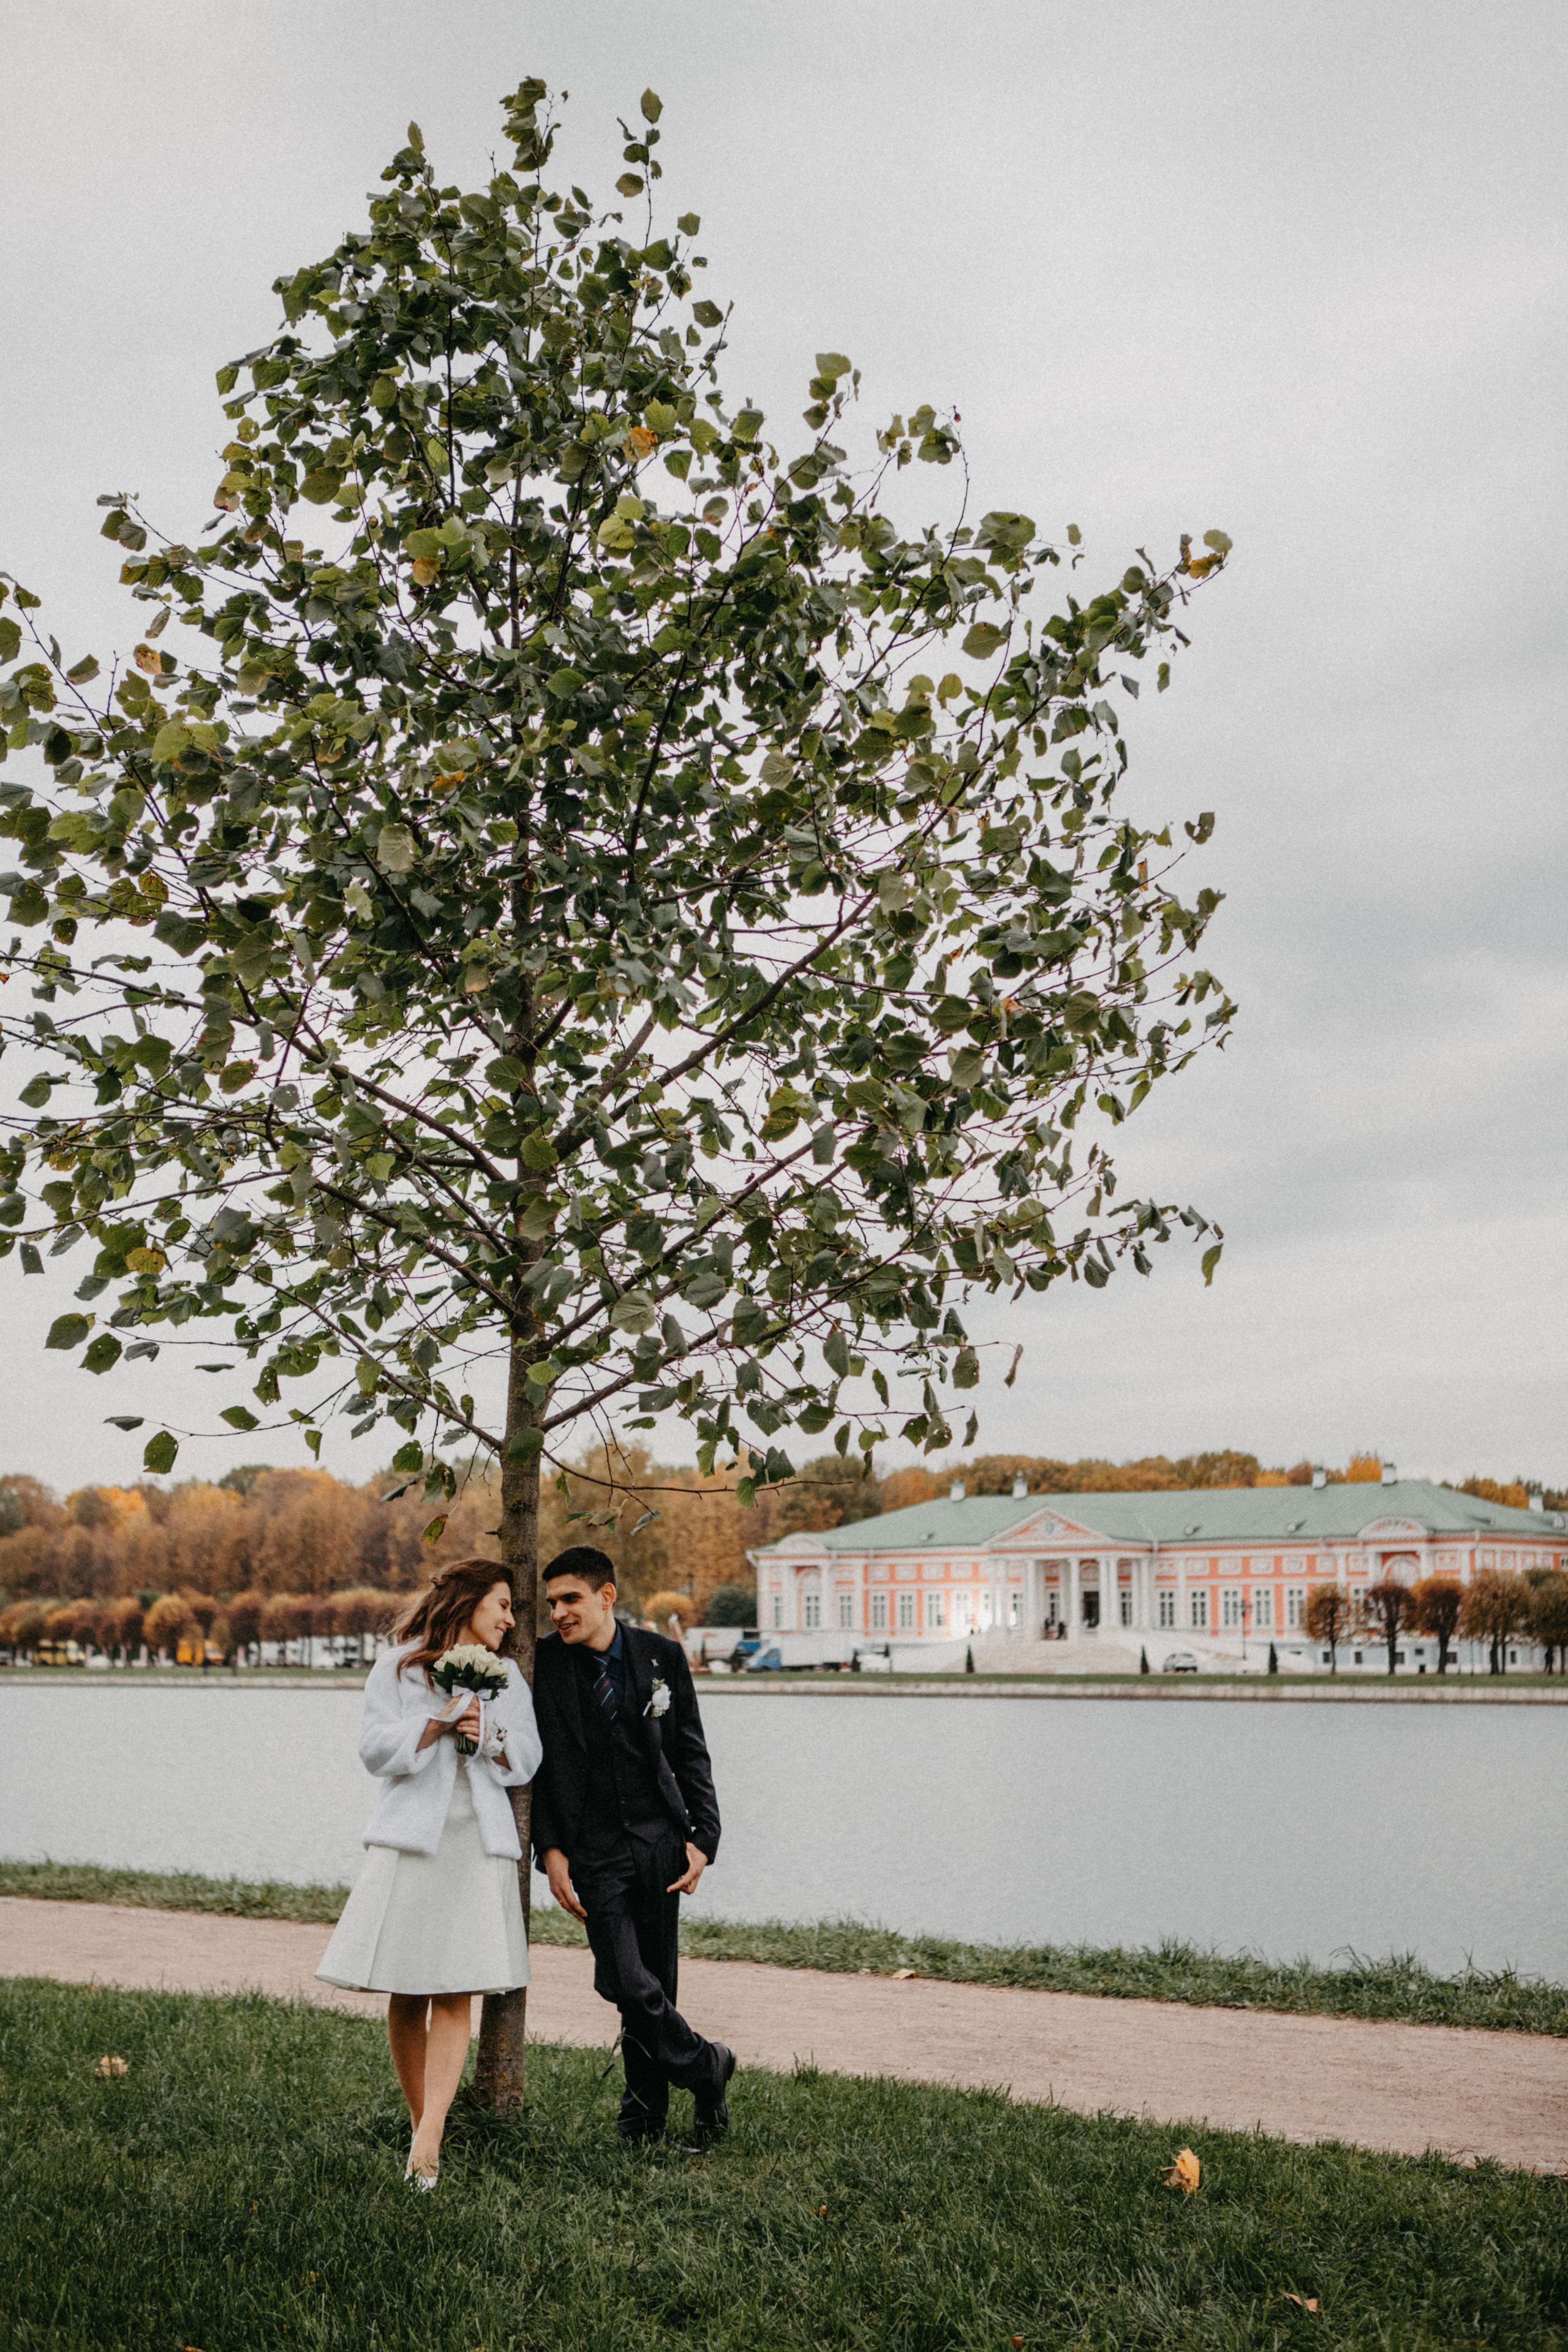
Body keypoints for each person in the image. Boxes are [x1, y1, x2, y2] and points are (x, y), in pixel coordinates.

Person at [316, 1558, 541, 2191]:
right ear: (468, 1601)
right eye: (501, 1605)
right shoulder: (397, 1667)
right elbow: (373, 1751)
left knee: (456, 1989)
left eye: (513, 1610)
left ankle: (430, 2141)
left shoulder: (509, 1678)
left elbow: (527, 1758)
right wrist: (435, 1724)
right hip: (414, 1841)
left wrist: (487, 1732)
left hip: (478, 1842)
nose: (509, 1620)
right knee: (407, 1989)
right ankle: (424, 2125)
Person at [532, 1545, 734, 2149]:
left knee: (655, 1985)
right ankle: (706, 2065)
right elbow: (537, 1769)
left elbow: (689, 1751)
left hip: (660, 1844)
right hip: (592, 1850)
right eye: (552, 1603)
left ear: (606, 1597)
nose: (559, 1613)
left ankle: (647, 2121)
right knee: (623, 1978)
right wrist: (550, 1850)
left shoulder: (660, 1657)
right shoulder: (541, 1664)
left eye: (570, 1599)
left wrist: (704, 1839)